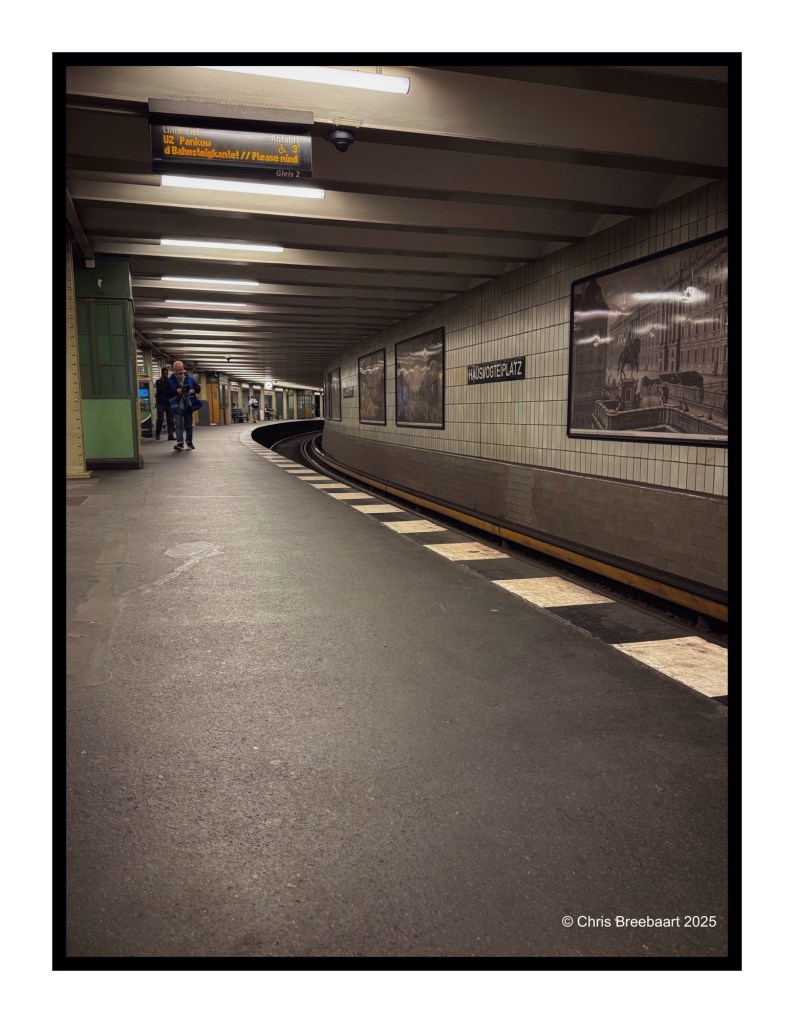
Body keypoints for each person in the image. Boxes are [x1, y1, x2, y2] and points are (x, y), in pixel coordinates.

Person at [168, 360, 201, 452]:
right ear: (174, 370)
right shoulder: (170, 380)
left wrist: (193, 389)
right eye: (178, 370)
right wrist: (175, 390)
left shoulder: (189, 378)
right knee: (178, 425)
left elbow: (198, 388)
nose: (180, 371)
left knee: (188, 425)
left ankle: (189, 442)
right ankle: (180, 443)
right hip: (177, 406)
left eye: (181, 369)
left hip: (188, 406)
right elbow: (166, 392)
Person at [154, 366, 176, 441]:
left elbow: (171, 391)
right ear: (162, 373)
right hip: (160, 403)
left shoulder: (169, 382)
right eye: (164, 373)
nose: (165, 374)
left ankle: (170, 435)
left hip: (168, 403)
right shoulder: (158, 382)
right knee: (160, 419)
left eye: (166, 373)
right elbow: (159, 391)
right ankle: (157, 434)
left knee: (170, 420)